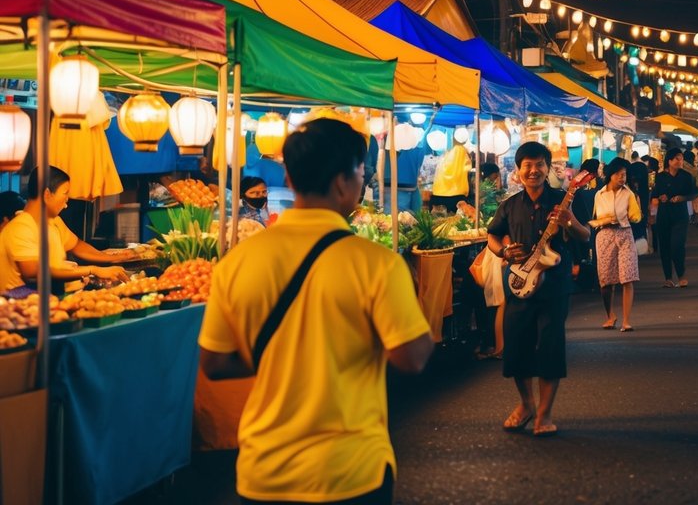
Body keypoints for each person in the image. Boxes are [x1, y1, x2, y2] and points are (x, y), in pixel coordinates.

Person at [198, 118, 433, 504]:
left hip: (264, 470)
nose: (362, 181)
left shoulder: (238, 261)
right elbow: (412, 357)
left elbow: (215, 363)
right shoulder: (375, 263)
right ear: (344, 180)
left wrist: (284, 357)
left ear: (289, 178)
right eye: (362, 172)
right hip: (350, 469)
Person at [487, 141, 590, 438]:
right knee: (517, 348)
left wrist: (569, 222)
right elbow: (492, 237)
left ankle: (544, 414)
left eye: (539, 164)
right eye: (527, 166)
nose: (533, 171)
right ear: (519, 172)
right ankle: (526, 404)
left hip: (553, 287)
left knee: (549, 348)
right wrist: (505, 252)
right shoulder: (509, 205)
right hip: (517, 284)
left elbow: (585, 236)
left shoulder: (565, 200)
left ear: (548, 168)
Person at [0, 167, 130, 293]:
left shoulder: (53, 222)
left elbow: (77, 245)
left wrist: (115, 258)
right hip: (21, 307)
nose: (67, 201)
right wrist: (92, 270)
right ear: (47, 194)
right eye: (65, 193)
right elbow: (34, 272)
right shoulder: (21, 227)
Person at [590, 157, 641, 332]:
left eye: (624, 174)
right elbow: (595, 217)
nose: (622, 177)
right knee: (606, 280)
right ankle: (610, 316)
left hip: (625, 234)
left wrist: (635, 210)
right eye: (619, 174)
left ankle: (626, 320)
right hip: (604, 236)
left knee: (628, 277)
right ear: (611, 175)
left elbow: (635, 217)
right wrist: (604, 221)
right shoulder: (599, 194)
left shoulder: (629, 194)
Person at [651, 148, 698, 288]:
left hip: (680, 215)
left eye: (681, 158)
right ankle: (668, 278)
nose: (680, 161)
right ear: (669, 161)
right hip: (664, 215)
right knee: (664, 247)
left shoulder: (686, 176)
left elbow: (694, 193)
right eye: (677, 159)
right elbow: (655, 195)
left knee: (677, 245)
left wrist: (682, 198)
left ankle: (681, 275)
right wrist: (659, 198)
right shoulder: (660, 177)